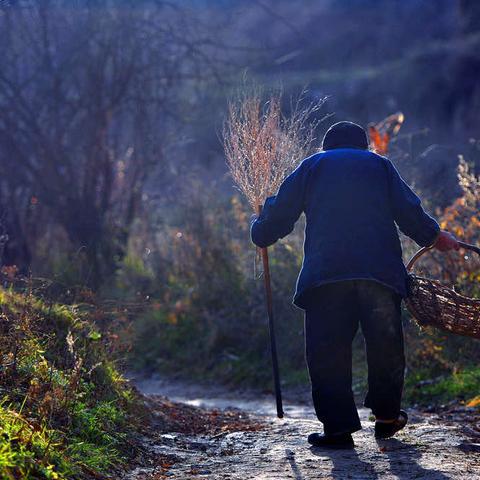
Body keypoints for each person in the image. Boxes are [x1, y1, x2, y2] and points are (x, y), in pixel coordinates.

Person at [250, 121, 459, 449]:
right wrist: (435, 236)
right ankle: (387, 417)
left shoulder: (312, 166)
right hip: (378, 274)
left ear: (326, 147)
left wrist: (260, 231)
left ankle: (338, 429)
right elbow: (409, 212)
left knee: (327, 351)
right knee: (385, 346)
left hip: (326, 276)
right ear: (363, 146)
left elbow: (280, 214)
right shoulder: (380, 165)